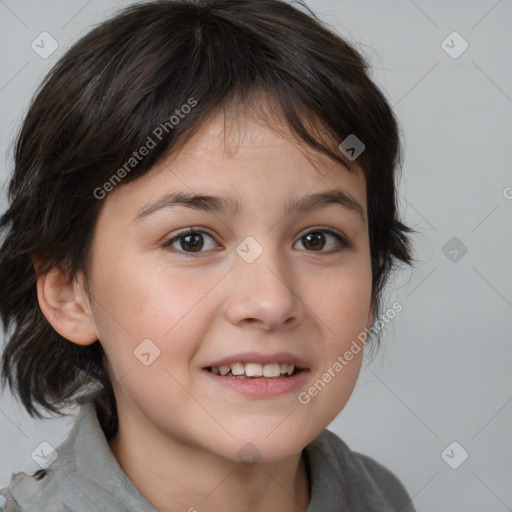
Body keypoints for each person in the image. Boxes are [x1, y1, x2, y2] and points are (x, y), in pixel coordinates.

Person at [0, 0, 418, 510]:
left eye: (317, 239)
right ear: (70, 292)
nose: (269, 302)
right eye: (191, 240)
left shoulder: (387, 497)